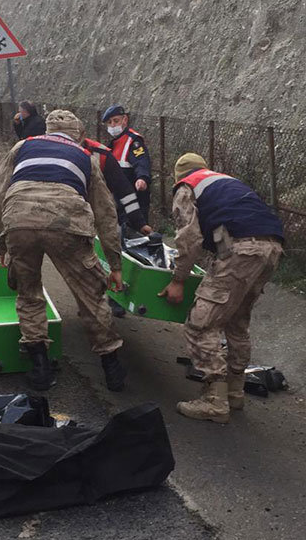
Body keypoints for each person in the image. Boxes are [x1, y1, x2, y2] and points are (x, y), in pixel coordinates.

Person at [0, 110, 128, 392]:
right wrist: (114, 264)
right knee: (91, 296)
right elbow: (105, 213)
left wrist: (1, 243)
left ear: (47, 130)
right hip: (68, 224)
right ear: (77, 134)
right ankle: (112, 368)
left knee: (29, 294)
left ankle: (40, 368)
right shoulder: (85, 156)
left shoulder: (22, 147)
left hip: (19, 221)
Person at [160, 153, 285, 423]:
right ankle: (234, 392)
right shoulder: (225, 181)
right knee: (236, 321)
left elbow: (189, 239)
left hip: (242, 250)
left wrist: (178, 279)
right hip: (271, 248)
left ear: (178, 175)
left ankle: (214, 401)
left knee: (200, 324)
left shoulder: (187, 186)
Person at [82, 135, 153, 319]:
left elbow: (125, 191)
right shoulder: (104, 148)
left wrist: (139, 223)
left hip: (107, 210)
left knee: (112, 250)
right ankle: (93, 304)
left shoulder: (106, 153)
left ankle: (114, 299)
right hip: (78, 213)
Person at [102, 104, 152, 217]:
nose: (113, 125)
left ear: (125, 120)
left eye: (116, 121)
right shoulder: (114, 142)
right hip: (119, 196)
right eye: (109, 123)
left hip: (133, 196)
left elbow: (141, 161)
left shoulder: (133, 141)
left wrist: (142, 178)